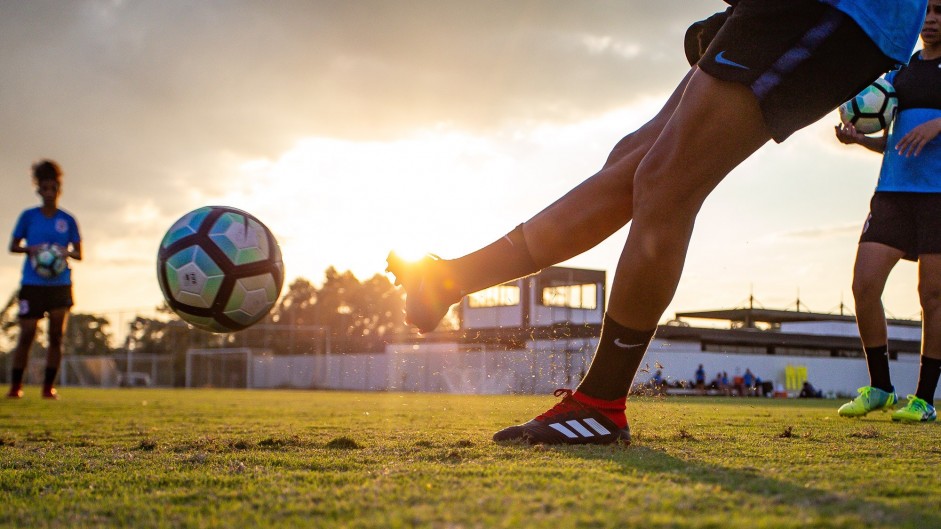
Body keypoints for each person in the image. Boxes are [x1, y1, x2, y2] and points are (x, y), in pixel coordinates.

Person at [387, 0, 926, 444]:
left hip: (846, 8)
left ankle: (600, 405)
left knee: (666, 180)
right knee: (634, 164)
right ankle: (451, 279)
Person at [836, 1, 941, 423]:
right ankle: (880, 387)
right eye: (927, 11)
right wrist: (859, 139)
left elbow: (928, 133)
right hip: (892, 194)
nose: (931, 19)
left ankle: (924, 400)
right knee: (864, 285)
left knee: (932, 297)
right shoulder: (900, 71)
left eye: (940, 11)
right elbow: (898, 142)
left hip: (938, 198)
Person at [5, 160, 82, 399]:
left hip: (60, 284)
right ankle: (16, 386)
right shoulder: (28, 217)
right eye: (44, 188)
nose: (49, 193)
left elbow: (79, 253)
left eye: (53, 188)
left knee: (56, 337)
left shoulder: (68, 220)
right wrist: (33, 249)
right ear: (38, 190)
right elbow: (13, 246)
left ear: (59, 189)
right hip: (32, 284)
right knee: (27, 333)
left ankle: (48, 388)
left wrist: (63, 253)